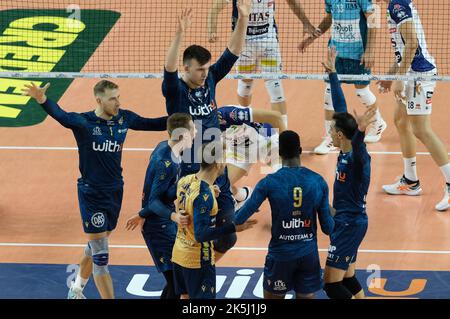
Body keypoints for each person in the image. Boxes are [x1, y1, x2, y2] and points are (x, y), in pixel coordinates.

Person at [22, 81, 167, 299]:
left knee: (95, 244)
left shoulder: (124, 118)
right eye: (112, 98)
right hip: (92, 194)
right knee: (101, 257)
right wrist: (42, 99)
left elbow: (153, 123)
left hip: (115, 190)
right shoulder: (84, 122)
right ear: (99, 100)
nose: (118, 102)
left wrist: (184, 118)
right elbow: (62, 116)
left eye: (118, 97)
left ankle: (76, 289)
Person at [163, 3, 250, 261]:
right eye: (199, 69)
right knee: (193, 233)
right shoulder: (176, 91)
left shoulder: (209, 78)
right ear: (186, 68)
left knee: (228, 236)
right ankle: (188, 278)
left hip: (216, 167)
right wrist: (179, 35)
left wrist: (242, 18)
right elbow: (168, 70)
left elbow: (233, 51)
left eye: (206, 68)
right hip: (191, 173)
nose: (204, 74)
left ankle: (206, 267)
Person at [234, 130, 334, 299]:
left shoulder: (268, 183)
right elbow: (328, 228)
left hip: (281, 256)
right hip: (308, 254)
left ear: (279, 153)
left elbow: (239, 218)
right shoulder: (318, 181)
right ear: (300, 151)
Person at [376, 0, 450, 211]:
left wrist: (400, 78)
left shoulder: (397, 5)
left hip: (418, 76)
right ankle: (410, 181)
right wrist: (392, 75)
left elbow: (412, 43)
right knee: (400, 122)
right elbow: (402, 49)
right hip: (409, 73)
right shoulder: (395, 5)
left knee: (421, 129)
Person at [208, 0, 317, 128]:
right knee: (245, 86)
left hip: (268, 42)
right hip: (243, 45)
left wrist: (306, 22)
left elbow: (292, 2)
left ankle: (282, 132)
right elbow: (215, 8)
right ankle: (245, 121)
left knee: (274, 85)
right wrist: (212, 30)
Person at [321, 47, 375, 299]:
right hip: (348, 222)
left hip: (348, 224)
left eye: (332, 130)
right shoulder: (345, 149)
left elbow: (362, 157)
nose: (329, 132)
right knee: (348, 276)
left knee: (331, 284)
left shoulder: (355, 157)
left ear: (341, 135)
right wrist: (333, 73)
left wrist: (362, 134)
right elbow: (341, 110)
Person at [299, 0, 386, 154]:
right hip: (336, 53)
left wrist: (370, 50)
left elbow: (373, 18)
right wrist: (312, 38)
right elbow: (329, 18)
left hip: (358, 54)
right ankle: (330, 137)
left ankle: (378, 122)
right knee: (329, 93)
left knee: (362, 92)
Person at [171, 142, 257, 299]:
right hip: (198, 260)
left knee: (185, 298)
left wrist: (211, 191)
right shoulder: (204, 196)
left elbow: (191, 199)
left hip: (178, 253)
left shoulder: (186, 180)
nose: (226, 163)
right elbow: (201, 235)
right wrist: (233, 228)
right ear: (218, 163)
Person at [125, 113, 196, 299]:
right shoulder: (165, 163)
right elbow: (154, 202)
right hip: (159, 227)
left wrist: (188, 185)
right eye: (193, 129)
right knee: (178, 283)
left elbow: (163, 194)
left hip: (163, 221)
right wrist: (174, 217)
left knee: (177, 283)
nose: (196, 132)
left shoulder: (169, 149)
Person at [218, 105, 287, 207]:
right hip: (240, 148)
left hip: (264, 137)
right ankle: (244, 196)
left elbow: (276, 116)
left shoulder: (228, 113)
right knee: (220, 186)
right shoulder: (200, 129)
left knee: (286, 178)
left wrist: (287, 148)